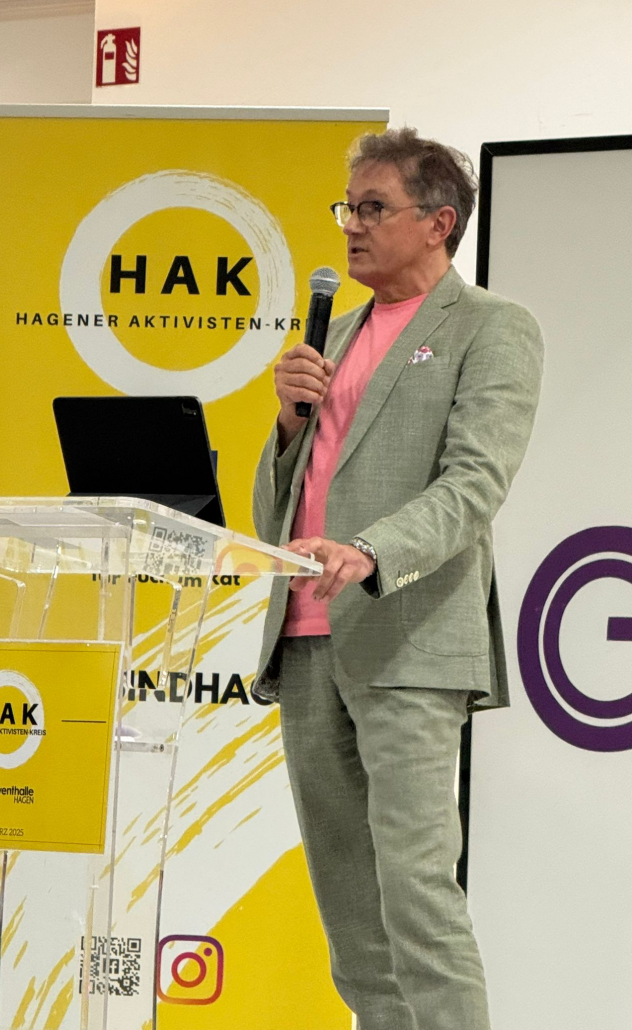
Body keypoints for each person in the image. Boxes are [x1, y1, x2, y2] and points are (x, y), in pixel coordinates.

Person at [252, 127, 543, 1030]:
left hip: (408, 638)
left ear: (437, 222)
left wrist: (372, 549)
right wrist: (288, 426)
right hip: (305, 640)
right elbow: (272, 515)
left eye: (372, 208)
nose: (350, 225)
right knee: (350, 915)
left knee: (416, 897)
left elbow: (473, 485)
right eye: (347, 207)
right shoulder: (331, 336)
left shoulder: (490, 327)